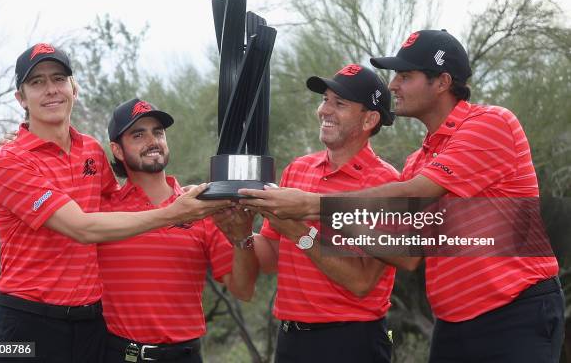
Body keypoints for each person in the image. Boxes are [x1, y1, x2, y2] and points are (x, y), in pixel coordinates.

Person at [240, 30, 564, 362]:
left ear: (442, 82)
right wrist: (304, 227)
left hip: (515, 311)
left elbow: (418, 192)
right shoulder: (417, 161)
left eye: (405, 76)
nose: (393, 85)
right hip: (454, 322)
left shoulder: (490, 122)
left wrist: (312, 207)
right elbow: (407, 255)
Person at [0, 44, 229, 363]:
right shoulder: (8, 160)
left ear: (74, 87)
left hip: (90, 325)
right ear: (21, 98)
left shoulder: (91, 151)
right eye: (36, 82)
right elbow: (82, 228)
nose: (50, 90)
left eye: (58, 78)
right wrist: (172, 212)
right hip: (26, 321)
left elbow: (124, 205)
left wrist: (177, 194)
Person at [243, 64, 399, 363]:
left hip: (351, 342)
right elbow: (271, 258)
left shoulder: (386, 183)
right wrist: (239, 233)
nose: (325, 110)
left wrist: (297, 232)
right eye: (325, 99)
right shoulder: (297, 170)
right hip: (290, 340)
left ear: (370, 119)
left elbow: (361, 283)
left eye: (339, 103)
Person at [99, 98, 258, 363]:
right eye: (138, 134)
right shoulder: (100, 208)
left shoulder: (201, 206)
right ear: (117, 149)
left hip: (183, 355)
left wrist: (243, 236)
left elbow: (243, 289)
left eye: (158, 132)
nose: (152, 141)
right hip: (116, 354)